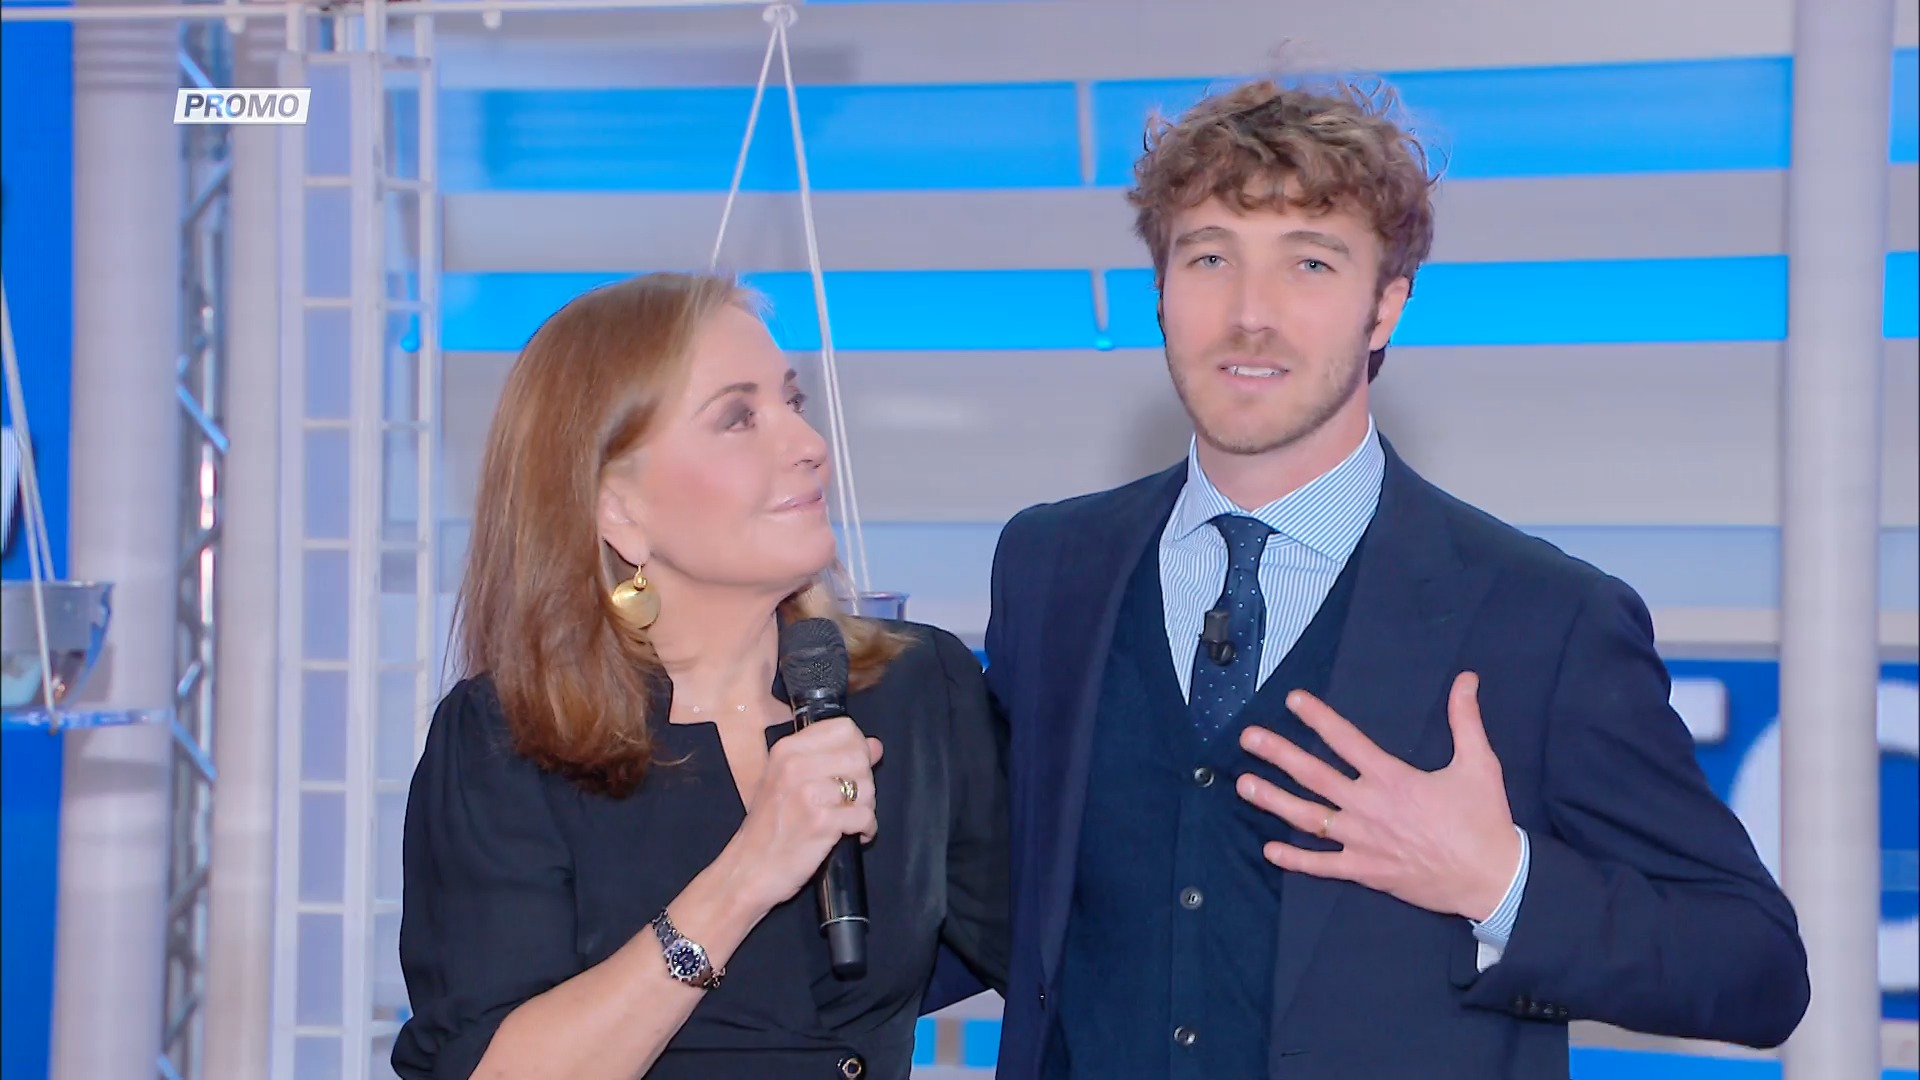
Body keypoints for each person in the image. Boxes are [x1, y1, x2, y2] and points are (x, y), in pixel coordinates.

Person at [982, 75, 1810, 1078]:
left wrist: (1498, 879)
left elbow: (1754, 967)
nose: (1250, 314)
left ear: (1385, 307)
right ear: (1160, 290)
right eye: (1209, 257)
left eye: (1310, 263)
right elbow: (983, 902)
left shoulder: (1544, 618)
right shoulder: (1052, 567)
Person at [391, 272, 1009, 1080]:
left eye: (793, 402)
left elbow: (1063, 959)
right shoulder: (509, 744)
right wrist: (747, 872)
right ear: (619, 510)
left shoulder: (920, 687)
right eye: (738, 418)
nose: (808, 444)